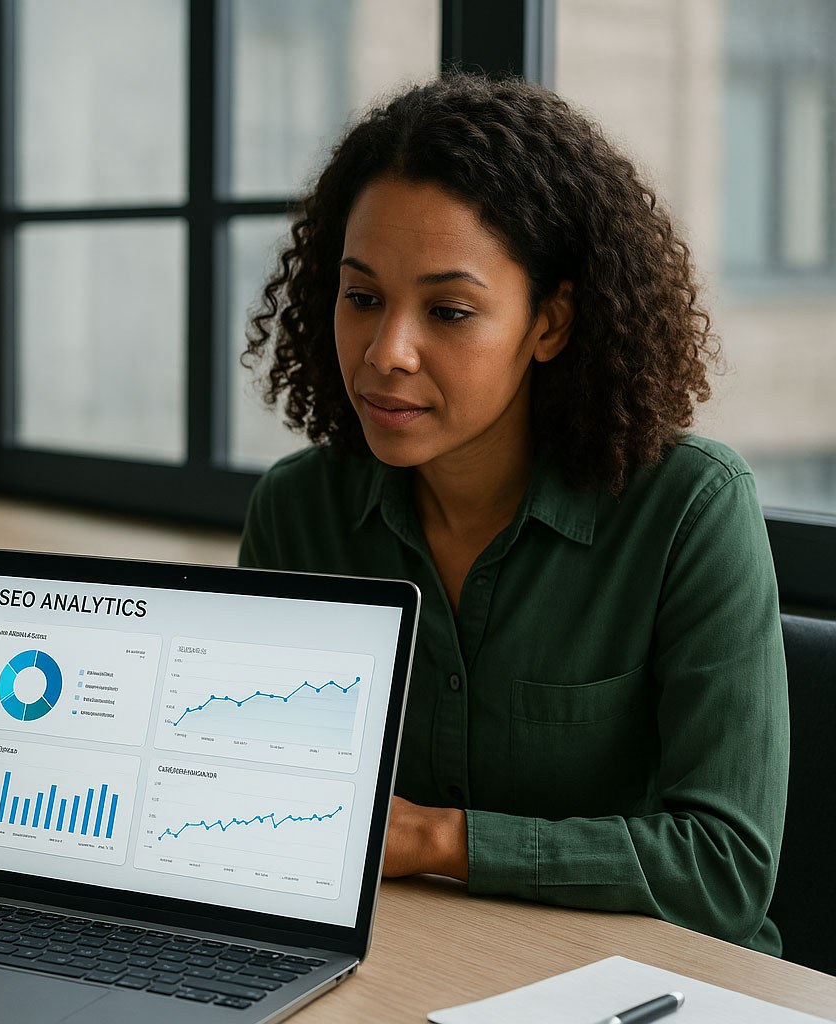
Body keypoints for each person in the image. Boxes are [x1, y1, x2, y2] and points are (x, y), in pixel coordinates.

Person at [239, 75, 789, 953]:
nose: (387, 353)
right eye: (363, 297)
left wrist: (438, 839)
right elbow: (252, 803)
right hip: (409, 968)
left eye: (448, 311)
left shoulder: (691, 509)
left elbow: (722, 868)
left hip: (657, 988)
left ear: (551, 321)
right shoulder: (298, 510)